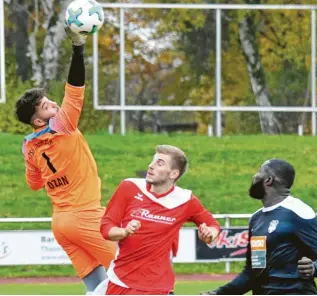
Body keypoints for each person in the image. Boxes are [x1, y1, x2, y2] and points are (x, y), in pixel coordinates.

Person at [14, 26, 116, 294]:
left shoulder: (29, 147)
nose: (55, 106)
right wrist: (78, 48)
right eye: (47, 106)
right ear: (39, 120)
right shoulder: (63, 126)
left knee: (97, 286)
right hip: (86, 216)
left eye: (51, 101)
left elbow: (34, 184)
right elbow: (75, 88)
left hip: (61, 223)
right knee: (136, 268)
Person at [203, 159, 317, 295]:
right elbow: (252, 272)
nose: (254, 176)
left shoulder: (299, 211)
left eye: (258, 171)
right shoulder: (256, 219)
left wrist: (315, 267)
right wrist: (219, 293)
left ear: (268, 180)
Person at [100, 145, 221, 295]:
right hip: (120, 281)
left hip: (159, 287)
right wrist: (124, 232)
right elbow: (106, 227)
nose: (151, 166)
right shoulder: (129, 187)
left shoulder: (185, 200)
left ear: (173, 174)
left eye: (160, 163)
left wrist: (209, 235)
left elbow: (213, 225)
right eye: (153, 161)